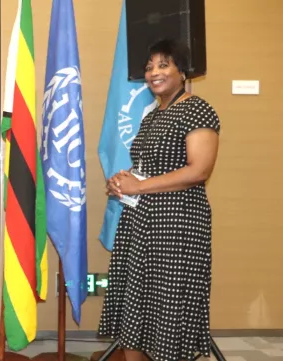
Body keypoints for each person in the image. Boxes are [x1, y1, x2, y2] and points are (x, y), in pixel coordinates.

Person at [97, 38, 221, 361]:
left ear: (182, 71)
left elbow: (199, 170)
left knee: (169, 311)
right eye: (149, 67)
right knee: (135, 308)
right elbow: (148, 168)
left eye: (163, 64)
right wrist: (124, 181)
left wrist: (141, 186)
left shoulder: (196, 109)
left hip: (177, 228)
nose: (154, 72)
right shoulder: (152, 116)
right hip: (141, 224)